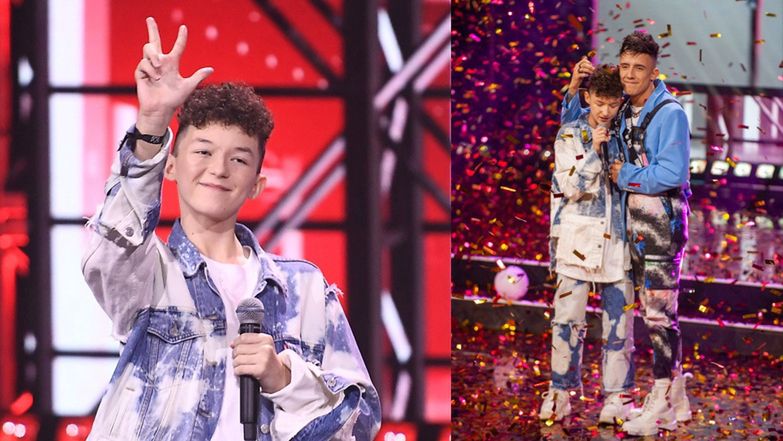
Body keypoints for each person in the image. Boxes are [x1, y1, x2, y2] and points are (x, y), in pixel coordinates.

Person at [81, 17, 381, 440]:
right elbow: (113, 241)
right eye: (203, 152)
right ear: (171, 166)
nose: (218, 169)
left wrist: (284, 378)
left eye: (238, 159)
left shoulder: (302, 288)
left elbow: (362, 420)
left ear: (256, 184)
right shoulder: (150, 273)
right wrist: (152, 121)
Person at [562, 31, 692, 436]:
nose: (630, 75)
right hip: (634, 227)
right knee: (655, 315)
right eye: (625, 66)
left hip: (661, 226)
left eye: (639, 68)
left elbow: (673, 173)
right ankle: (675, 401)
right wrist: (574, 89)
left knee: (659, 316)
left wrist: (627, 175)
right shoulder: (624, 107)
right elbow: (579, 125)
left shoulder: (669, 113)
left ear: (654, 72)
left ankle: (662, 400)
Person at [543, 65, 636, 425]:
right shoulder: (570, 134)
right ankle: (559, 392)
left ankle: (616, 398)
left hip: (617, 245)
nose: (606, 111)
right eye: (599, 103)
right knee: (567, 321)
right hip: (576, 241)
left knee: (619, 326)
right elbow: (570, 186)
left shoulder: (626, 133)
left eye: (612, 104)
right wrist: (595, 152)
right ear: (588, 98)